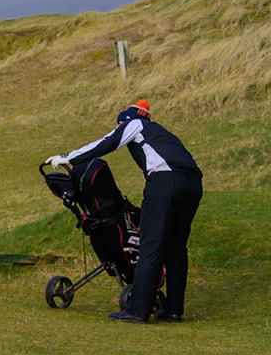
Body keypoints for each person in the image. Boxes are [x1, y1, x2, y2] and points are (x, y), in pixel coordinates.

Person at [62, 99, 202, 323]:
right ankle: (173, 310)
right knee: (176, 248)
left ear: (125, 119)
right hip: (193, 184)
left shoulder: (134, 123)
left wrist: (69, 158)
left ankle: (138, 310)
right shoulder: (162, 133)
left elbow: (107, 143)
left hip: (164, 183)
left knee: (151, 245)